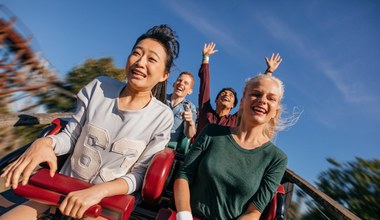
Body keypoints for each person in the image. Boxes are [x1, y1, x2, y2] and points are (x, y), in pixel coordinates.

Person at [0, 24, 180, 219]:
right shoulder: (99, 86)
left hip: (106, 203)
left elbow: (139, 175)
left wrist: (98, 192)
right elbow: (70, 137)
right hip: (61, 188)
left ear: (164, 75)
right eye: (136, 53)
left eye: (152, 59)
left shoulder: (162, 116)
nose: (140, 62)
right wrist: (45, 142)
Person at [173, 73, 289, 219]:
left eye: (271, 98)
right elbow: (184, 175)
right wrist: (184, 216)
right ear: (242, 102)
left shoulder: (277, 158)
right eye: (256, 94)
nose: (262, 101)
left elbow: (254, 212)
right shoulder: (210, 132)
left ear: (275, 111)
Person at [196, 42, 283, 135]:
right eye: (223, 93)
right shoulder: (206, 111)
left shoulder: (236, 120)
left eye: (231, 95)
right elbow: (204, 84)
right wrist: (206, 58)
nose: (226, 95)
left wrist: (269, 72)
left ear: (233, 105)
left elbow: (256, 92)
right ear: (216, 100)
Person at [166, 71, 197, 145]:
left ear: (190, 91)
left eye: (186, 83)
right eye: (179, 80)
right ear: (174, 84)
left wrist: (190, 122)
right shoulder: (161, 97)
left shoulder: (190, 108)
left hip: (167, 147)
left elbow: (190, 134)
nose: (181, 83)